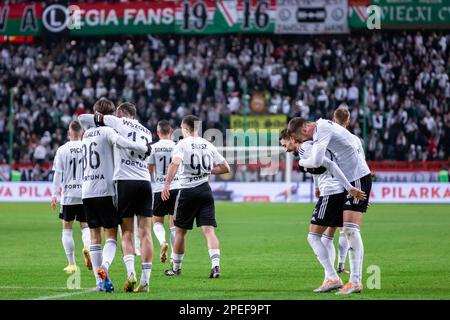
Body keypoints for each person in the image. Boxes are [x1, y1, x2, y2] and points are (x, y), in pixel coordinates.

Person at [288, 116, 372, 294]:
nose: (302, 144)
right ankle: (339, 278)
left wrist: (302, 162)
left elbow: (318, 162)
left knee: (349, 230)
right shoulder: (324, 127)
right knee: (343, 231)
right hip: (352, 179)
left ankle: (354, 281)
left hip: (356, 177)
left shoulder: (322, 130)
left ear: (304, 130)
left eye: (301, 139)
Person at [79, 102, 154, 293]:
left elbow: (82, 118)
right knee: (144, 232)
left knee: (123, 233)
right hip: (144, 182)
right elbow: (139, 150)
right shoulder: (147, 131)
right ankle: (144, 281)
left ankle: (122, 275)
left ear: (120, 113)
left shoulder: (97, 130)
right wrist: (144, 148)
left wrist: (98, 117)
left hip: (113, 184)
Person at [162, 115, 230, 278]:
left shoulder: (182, 144)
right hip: (205, 191)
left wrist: (166, 184)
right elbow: (225, 167)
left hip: (187, 192)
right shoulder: (208, 144)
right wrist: (208, 170)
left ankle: (176, 268)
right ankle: (216, 266)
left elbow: (175, 163)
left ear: (185, 129)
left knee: (180, 232)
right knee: (209, 231)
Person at [51, 121, 91, 274]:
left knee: (67, 228)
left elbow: (58, 174)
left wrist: (54, 194)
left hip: (68, 194)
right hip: (85, 193)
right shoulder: (87, 147)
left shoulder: (62, 150)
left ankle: (72, 264)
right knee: (85, 226)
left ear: (69, 133)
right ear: (82, 133)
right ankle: (87, 247)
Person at [148, 120, 181, 266]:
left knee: (157, 221)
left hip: (159, 188)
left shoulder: (153, 148)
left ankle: (162, 241)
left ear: (157, 132)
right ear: (171, 132)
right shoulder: (177, 147)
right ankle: (174, 256)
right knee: (174, 224)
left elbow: (149, 169)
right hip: (176, 187)